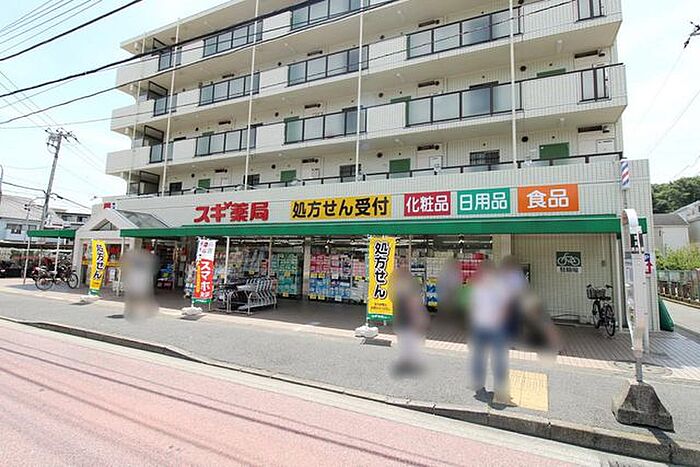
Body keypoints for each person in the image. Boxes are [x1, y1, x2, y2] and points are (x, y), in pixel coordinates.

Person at [468, 260, 511, 404]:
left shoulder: (498, 285)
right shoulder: (479, 286)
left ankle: (497, 387)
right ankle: (482, 386)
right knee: (483, 357)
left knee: (495, 358)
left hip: (492, 327)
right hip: (482, 326)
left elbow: (505, 306)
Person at [391, 267, 429, 375]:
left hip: (403, 321)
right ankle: (409, 363)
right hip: (405, 321)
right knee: (409, 343)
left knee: (406, 343)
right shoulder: (405, 291)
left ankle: (408, 362)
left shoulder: (399, 291)